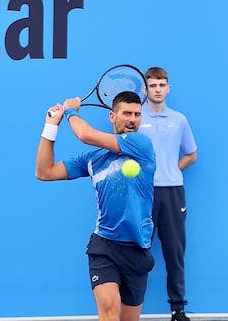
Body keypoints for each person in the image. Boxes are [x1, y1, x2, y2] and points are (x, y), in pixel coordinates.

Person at [36, 91, 156, 321]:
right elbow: (45, 171)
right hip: (104, 247)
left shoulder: (142, 145)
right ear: (112, 117)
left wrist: (70, 111)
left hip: (137, 248)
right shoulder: (93, 159)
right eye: (126, 113)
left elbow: (85, 134)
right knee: (110, 314)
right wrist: (50, 126)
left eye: (137, 114)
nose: (132, 119)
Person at [138, 67, 198, 321]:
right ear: (145, 89)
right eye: (153, 85)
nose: (158, 89)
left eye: (162, 85)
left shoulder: (179, 119)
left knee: (174, 252)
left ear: (168, 88)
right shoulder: (136, 117)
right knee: (138, 250)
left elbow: (191, 154)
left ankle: (178, 308)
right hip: (143, 193)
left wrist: (173, 168)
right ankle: (132, 307)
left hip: (173, 192)